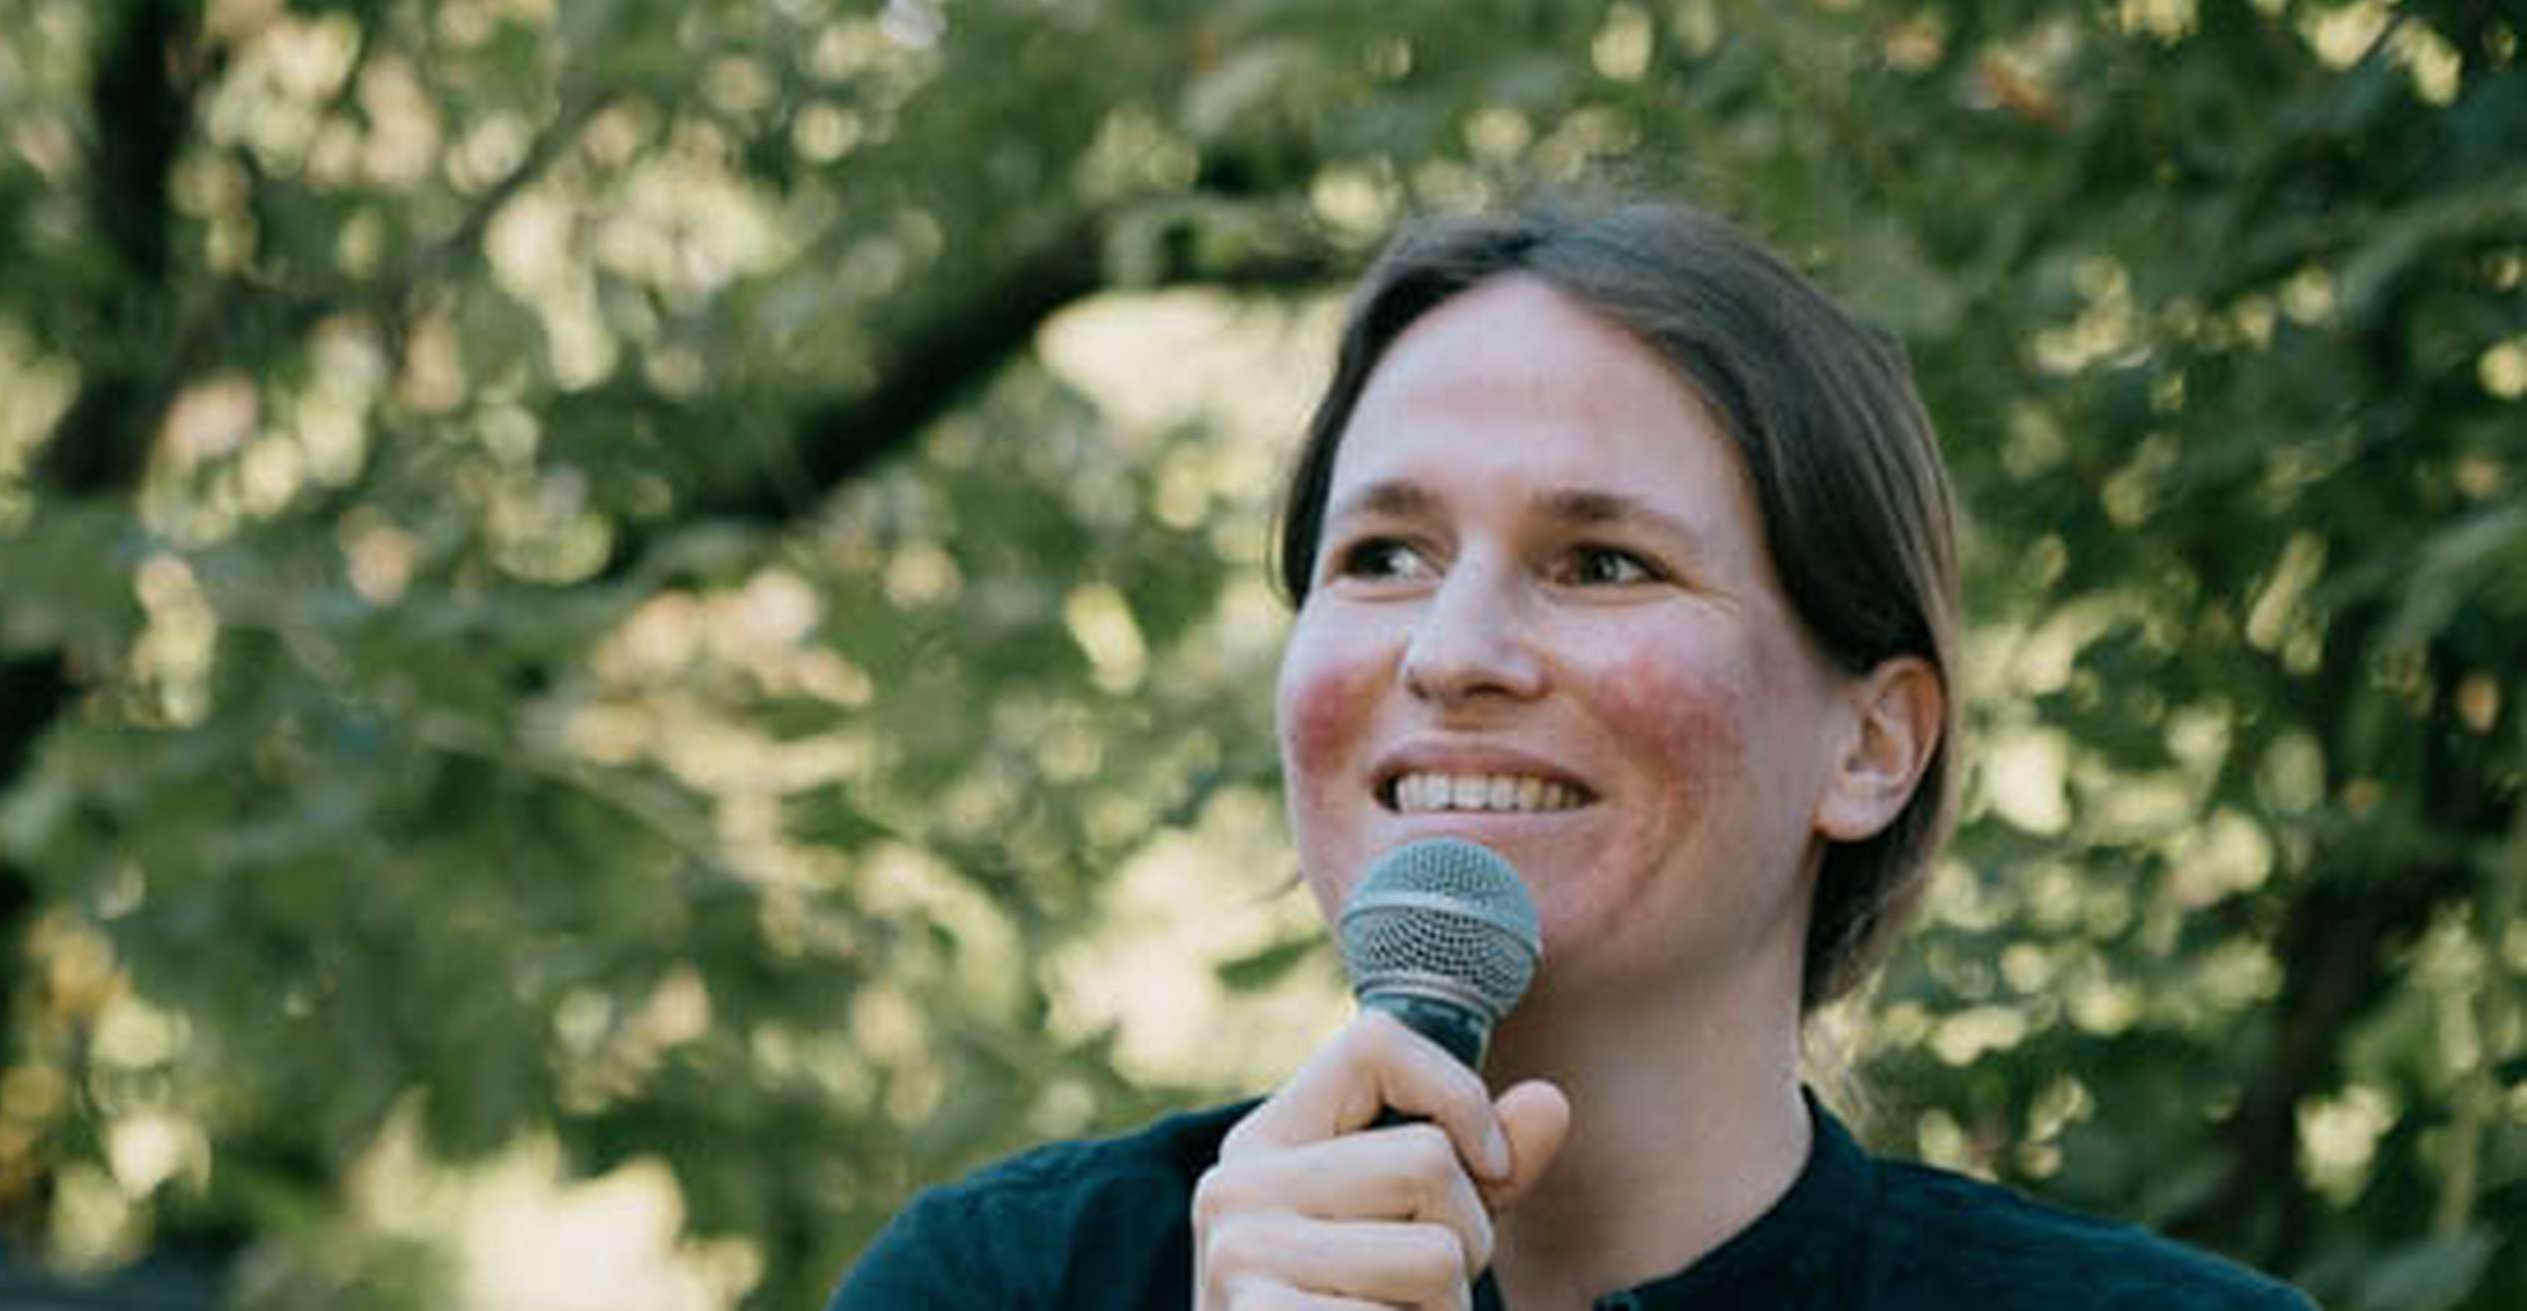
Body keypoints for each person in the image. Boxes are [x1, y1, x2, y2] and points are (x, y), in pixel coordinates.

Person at [828, 198, 2313, 1310]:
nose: (1452, 649)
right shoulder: (1005, 1283)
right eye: (1385, 555)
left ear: (1871, 746)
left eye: (1602, 564)